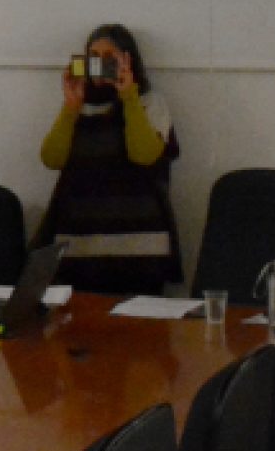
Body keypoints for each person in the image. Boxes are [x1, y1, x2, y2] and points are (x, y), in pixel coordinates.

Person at [36, 23, 180, 295]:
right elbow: (51, 158)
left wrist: (129, 95)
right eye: (93, 57)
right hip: (80, 245)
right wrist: (71, 107)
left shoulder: (150, 102)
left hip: (140, 245)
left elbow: (144, 155)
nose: (100, 65)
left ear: (128, 60)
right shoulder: (78, 107)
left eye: (109, 57)